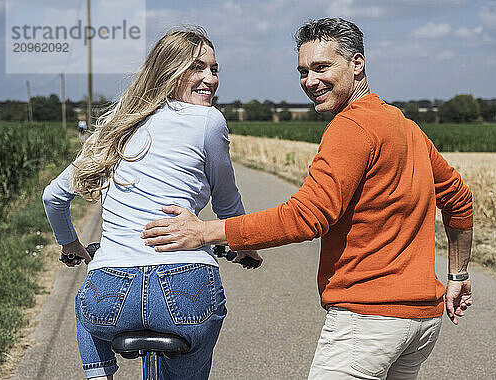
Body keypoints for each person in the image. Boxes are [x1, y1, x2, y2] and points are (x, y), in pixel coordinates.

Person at [142, 18, 473, 380]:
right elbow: (459, 198)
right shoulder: (405, 126)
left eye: (321, 67)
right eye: (303, 71)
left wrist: (206, 232)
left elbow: (307, 216)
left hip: (368, 319)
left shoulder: (351, 127)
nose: (310, 81)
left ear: (357, 64)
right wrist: (457, 274)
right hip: (421, 322)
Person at [42, 26, 260, 380]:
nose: (210, 78)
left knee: (86, 307)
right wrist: (244, 246)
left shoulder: (115, 125)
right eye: (197, 67)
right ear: (170, 71)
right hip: (186, 288)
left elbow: (54, 196)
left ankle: (99, 374)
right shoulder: (209, 120)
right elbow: (227, 202)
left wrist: (70, 244)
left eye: (214, 69)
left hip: (111, 295)